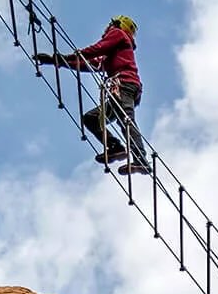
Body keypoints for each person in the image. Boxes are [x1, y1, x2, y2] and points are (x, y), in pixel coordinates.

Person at [35, 15, 150, 175]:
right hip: (121, 89)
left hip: (124, 85)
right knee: (91, 119)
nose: (106, 28)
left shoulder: (117, 34)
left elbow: (95, 50)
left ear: (116, 24)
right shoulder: (114, 50)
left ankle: (141, 160)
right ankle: (116, 147)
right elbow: (91, 64)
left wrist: (65, 57)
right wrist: (58, 61)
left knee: (126, 120)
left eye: (110, 24)